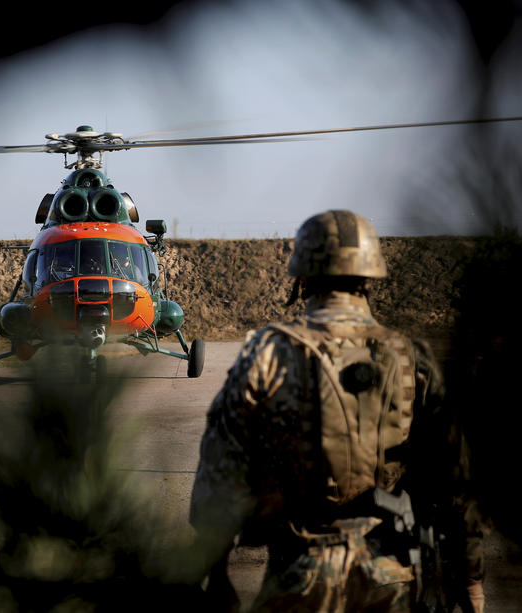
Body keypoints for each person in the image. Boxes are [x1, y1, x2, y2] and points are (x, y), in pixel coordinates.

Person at [189, 210, 485, 612]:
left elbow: (220, 473)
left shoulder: (268, 353)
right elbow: (454, 482)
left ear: (303, 278)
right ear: (369, 277)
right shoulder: (412, 356)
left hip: (300, 576)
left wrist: (214, 569)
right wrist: (470, 578)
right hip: (393, 579)